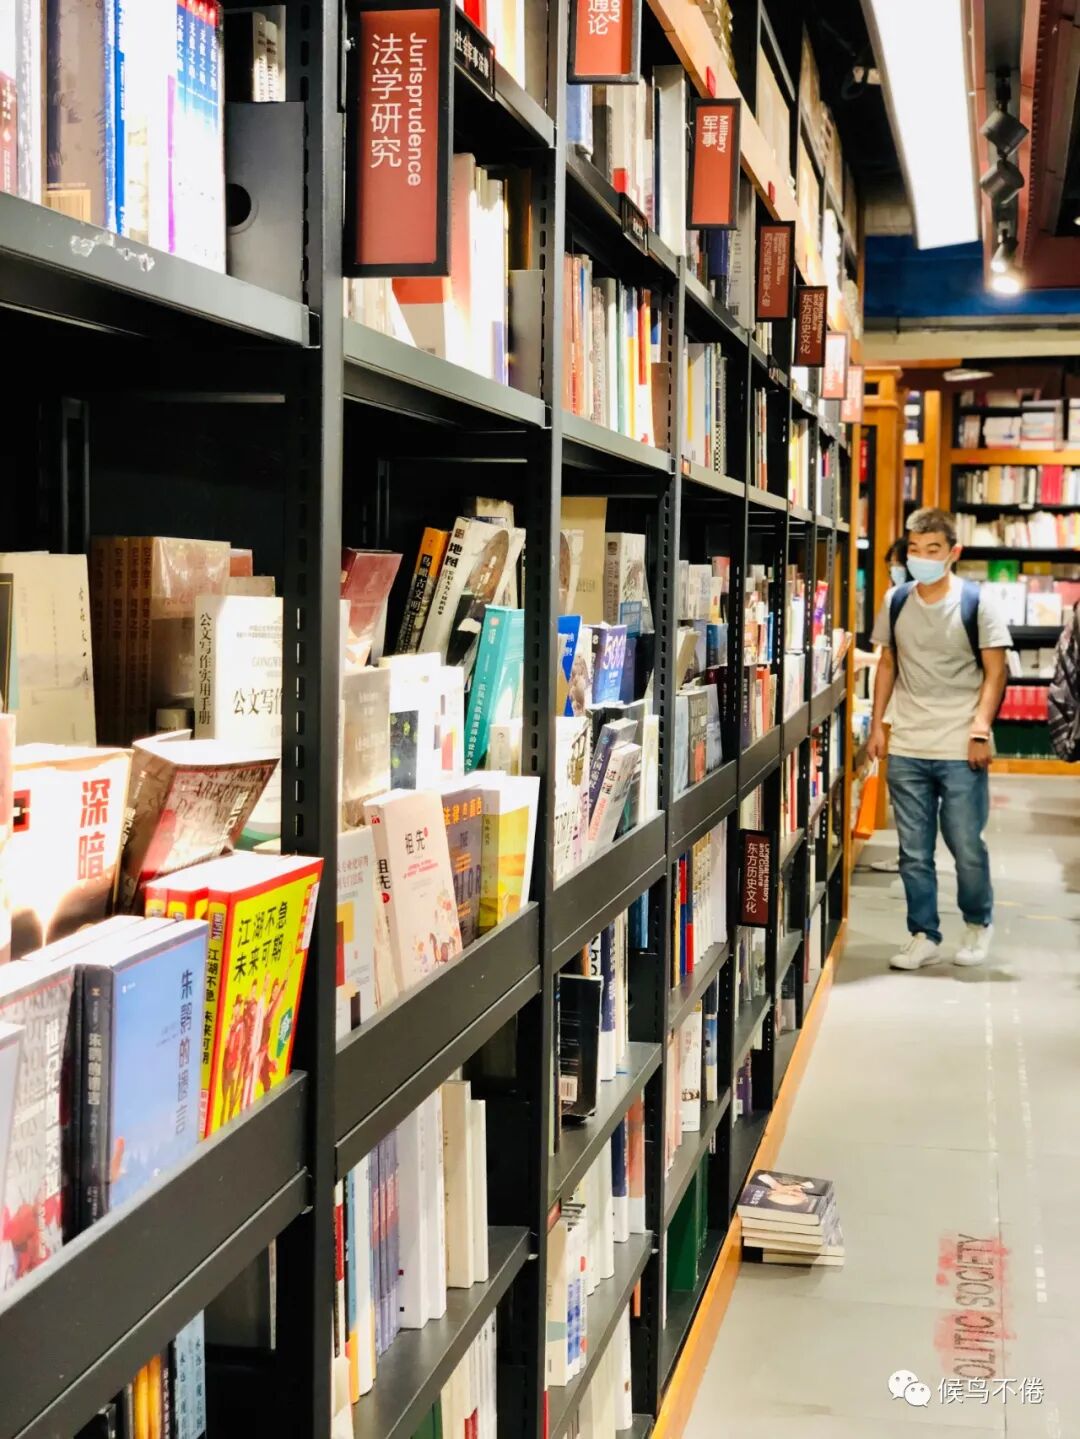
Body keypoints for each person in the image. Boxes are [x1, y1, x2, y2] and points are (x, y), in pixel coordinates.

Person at [866, 508, 1009, 970]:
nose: (922, 558)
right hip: (908, 743)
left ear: (953, 552)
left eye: (933, 550)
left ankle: (978, 922)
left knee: (966, 845)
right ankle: (923, 933)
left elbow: (996, 672)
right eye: (915, 549)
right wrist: (877, 726)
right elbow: (888, 662)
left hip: (960, 744)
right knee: (913, 851)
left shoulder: (977, 603)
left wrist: (980, 729)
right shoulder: (896, 600)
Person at [854, 538, 911, 874]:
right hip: (895, 708)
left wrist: (867, 659)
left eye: (896, 564)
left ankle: (911, 854)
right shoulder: (897, 598)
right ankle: (909, 853)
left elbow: (896, 660)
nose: (893, 570)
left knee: (907, 787)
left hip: (905, 709)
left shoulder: (905, 600)